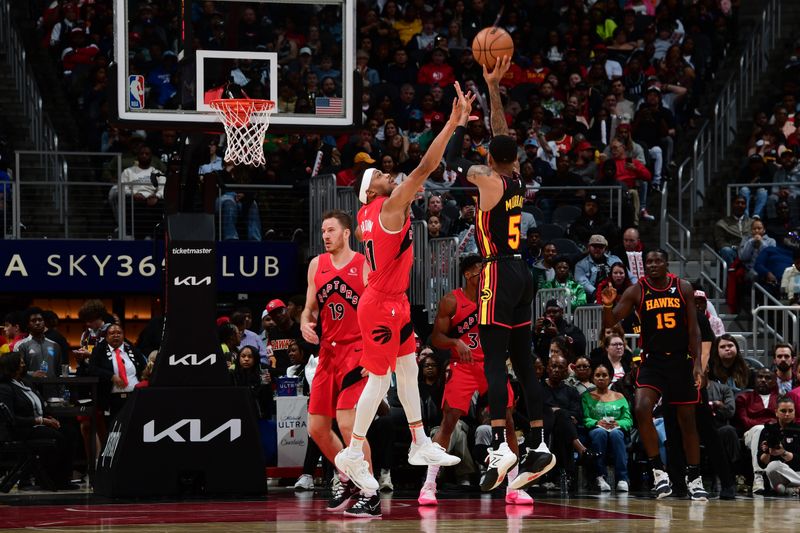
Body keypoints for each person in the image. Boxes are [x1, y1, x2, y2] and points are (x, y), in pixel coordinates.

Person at [334, 82, 470, 515]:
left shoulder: (365, 216)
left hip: (392, 300)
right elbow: (428, 166)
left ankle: (419, 442)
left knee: (409, 366)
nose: (389, 172)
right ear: (375, 190)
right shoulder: (390, 208)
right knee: (379, 380)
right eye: (381, 174)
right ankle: (355, 451)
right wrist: (451, 123)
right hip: (379, 304)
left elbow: (367, 240)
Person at [460, 56, 555, 493]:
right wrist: (492, 86)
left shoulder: (488, 179)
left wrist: (463, 129)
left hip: (496, 273)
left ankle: (500, 444)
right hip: (525, 274)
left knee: (494, 363)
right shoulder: (515, 176)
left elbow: (468, 165)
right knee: (525, 366)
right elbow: (500, 137)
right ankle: (538, 442)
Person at [419, 255, 530, 506]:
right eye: (483, 270)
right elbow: (435, 338)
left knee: (509, 422)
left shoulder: (496, 300)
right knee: (449, 421)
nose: (488, 274)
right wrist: (455, 342)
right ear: (470, 274)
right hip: (463, 366)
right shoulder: (451, 301)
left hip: (491, 366)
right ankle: (429, 485)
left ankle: (514, 485)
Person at [601, 249, 708, 500]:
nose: (652, 265)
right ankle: (659, 472)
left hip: (682, 361)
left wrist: (698, 364)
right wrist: (607, 303)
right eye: (648, 261)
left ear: (666, 263)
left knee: (687, 421)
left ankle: (694, 477)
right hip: (653, 362)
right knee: (641, 408)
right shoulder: (637, 290)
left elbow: (694, 329)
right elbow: (610, 321)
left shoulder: (682, 287)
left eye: (657, 260)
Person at [299, 210, 373, 515]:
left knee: (347, 423)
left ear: (345, 233)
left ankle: (370, 491)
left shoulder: (364, 265)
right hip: (327, 353)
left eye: (331, 230)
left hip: (357, 351)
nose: (325, 236)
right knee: (316, 428)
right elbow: (309, 309)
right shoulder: (317, 265)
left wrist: (375, 352)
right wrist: (305, 323)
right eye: (323, 231)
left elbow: (378, 312)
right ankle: (350, 478)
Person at [0, 352, 76, 490]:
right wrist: (41, 421)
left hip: (37, 425)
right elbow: (12, 418)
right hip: (19, 429)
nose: (24, 364)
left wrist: (49, 417)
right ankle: (52, 479)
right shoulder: (5, 388)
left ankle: (63, 478)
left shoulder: (25, 382)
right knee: (57, 437)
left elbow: (38, 403)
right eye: (21, 362)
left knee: (70, 432)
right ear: (13, 366)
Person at [583, 361, 633, 492]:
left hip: (616, 429)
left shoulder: (620, 396)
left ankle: (622, 478)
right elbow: (585, 418)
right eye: (597, 375)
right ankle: (600, 477)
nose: (601, 378)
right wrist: (596, 423)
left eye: (604, 375)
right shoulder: (587, 397)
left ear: (610, 377)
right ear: (593, 378)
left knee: (616, 434)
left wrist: (618, 423)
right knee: (600, 433)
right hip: (597, 429)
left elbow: (628, 420)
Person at [88, 324, 147, 420]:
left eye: (119, 333)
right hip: (112, 399)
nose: (116, 335)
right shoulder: (99, 350)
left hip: (134, 396)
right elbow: (92, 369)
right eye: (112, 333)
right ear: (106, 337)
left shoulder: (131, 349)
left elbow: (145, 367)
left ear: (123, 335)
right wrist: (111, 376)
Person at [737, 368, 780, 495]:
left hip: (774, 435)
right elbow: (745, 421)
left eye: (767, 378)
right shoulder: (744, 397)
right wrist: (768, 422)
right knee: (759, 429)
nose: (763, 380)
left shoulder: (781, 398)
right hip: (750, 435)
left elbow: (783, 420)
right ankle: (758, 475)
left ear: (774, 381)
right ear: (754, 380)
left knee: (763, 429)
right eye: (760, 377)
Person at [757, 396, 800, 495]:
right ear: (776, 412)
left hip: (797, 472)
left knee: (780, 487)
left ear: (794, 412)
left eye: (790, 411)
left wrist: (784, 453)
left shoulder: (799, 430)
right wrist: (767, 452)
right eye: (783, 411)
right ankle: (793, 489)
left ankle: (789, 490)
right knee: (772, 466)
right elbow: (762, 463)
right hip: (778, 474)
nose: (787, 414)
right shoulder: (767, 431)